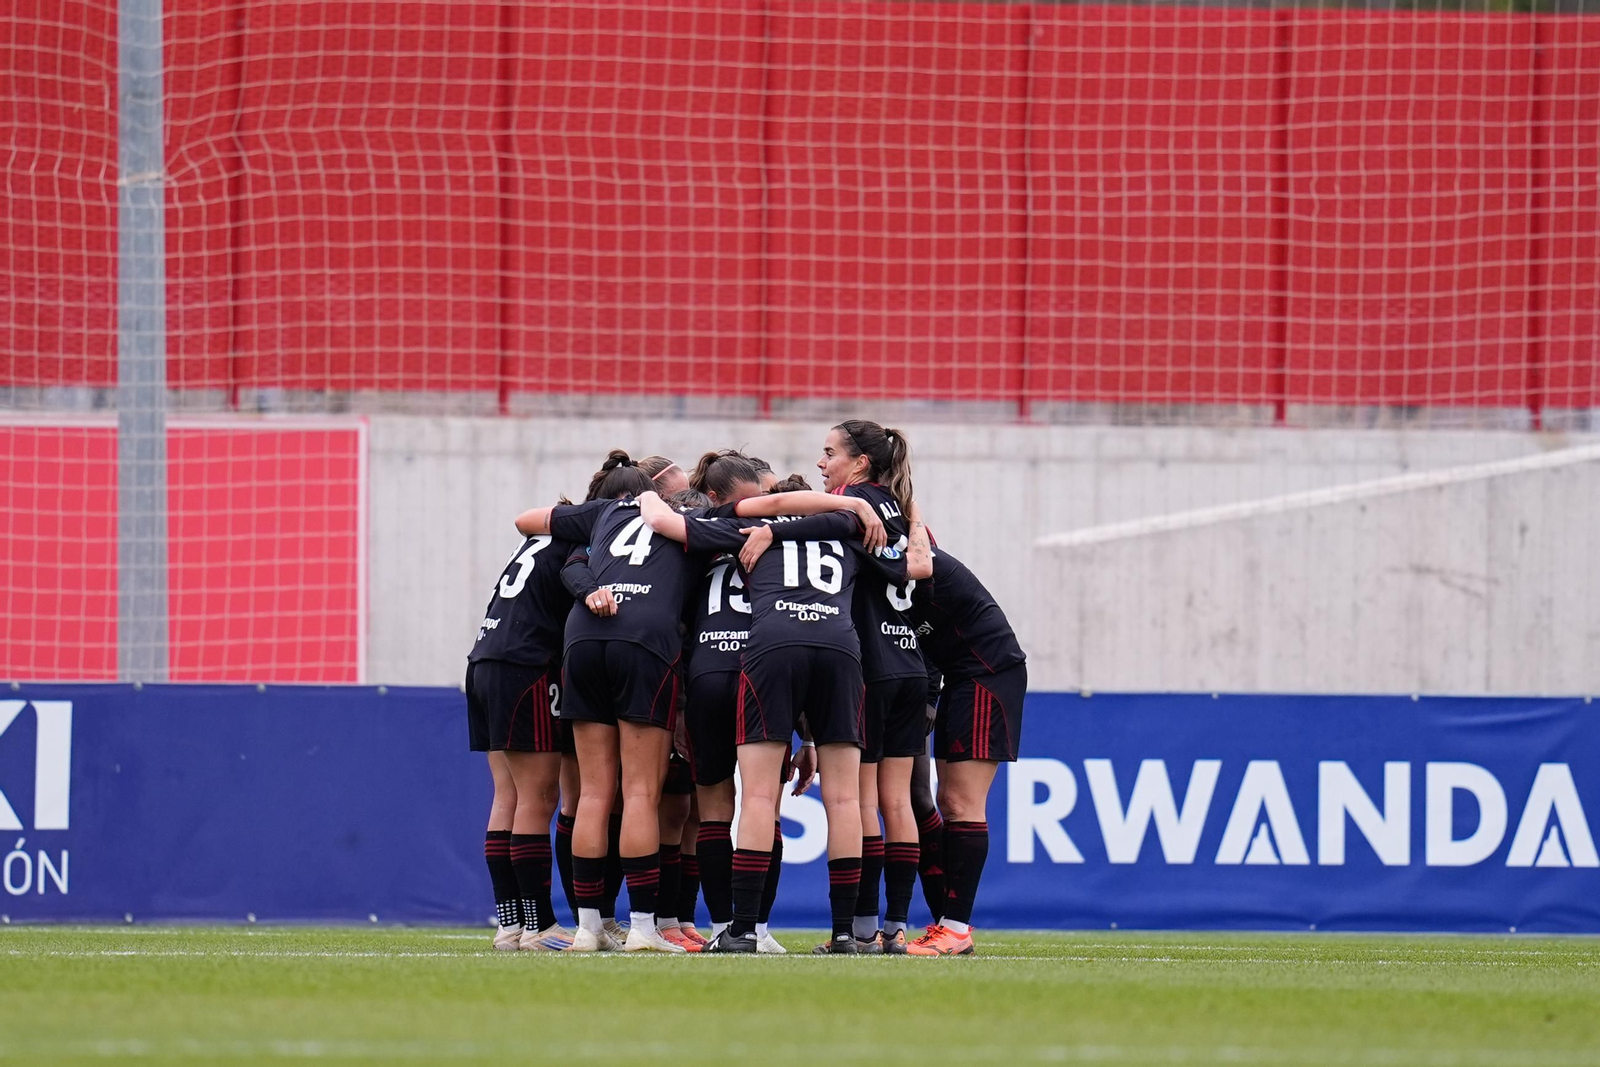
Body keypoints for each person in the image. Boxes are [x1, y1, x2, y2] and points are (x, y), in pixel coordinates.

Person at [638, 481, 925, 953]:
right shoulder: (849, 528)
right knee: (846, 802)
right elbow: (916, 566)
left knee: (758, 794)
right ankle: (845, 934)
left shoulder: (753, 525)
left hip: (773, 647)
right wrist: (910, 517)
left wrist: (645, 495)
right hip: (840, 648)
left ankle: (744, 929)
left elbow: (665, 523)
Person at [512, 450, 697, 953]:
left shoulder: (603, 513)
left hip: (584, 641)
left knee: (592, 795)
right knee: (639, 794)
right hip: (644, 643)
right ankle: (641, 928)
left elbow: (526, 520)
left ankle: (588, 929)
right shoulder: (691, 519)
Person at [811, 420, 927, 954]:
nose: (821, 463)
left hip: (870, 669)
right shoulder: (902, 513)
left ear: (859, 463)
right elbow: (923, 573)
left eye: (830, 453)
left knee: (860, 801)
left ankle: (857, 930)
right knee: (897, 801)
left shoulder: (846, 506)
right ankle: (896, 927)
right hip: (910, 664)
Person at [901, 542, 1027, 956]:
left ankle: (955, 929)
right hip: (962, 676)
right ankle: (947, 926)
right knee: (946, 799)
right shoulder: (901, 561)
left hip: (986, 672)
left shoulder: (917, 559)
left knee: (962, 802)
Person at [466, 502, 580, 951]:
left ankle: (510, 924)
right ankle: (539, 925)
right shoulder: (578, 545)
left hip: (483, 660)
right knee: (540, 796)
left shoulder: (536, 541)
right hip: (525, 665)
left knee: (508, 795)